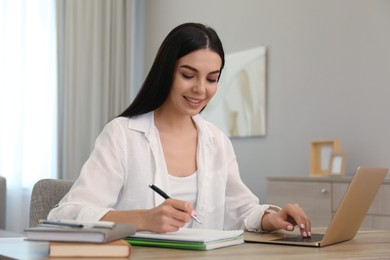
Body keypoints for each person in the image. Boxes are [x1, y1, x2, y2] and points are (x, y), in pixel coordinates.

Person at [48, 22, 311, 237]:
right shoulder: (122, 135)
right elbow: (65, 214)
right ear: (166, 72)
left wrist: (271, 217)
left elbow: (241, 210)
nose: (200, 89)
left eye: (212, 79)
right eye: (188, 75)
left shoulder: (217, 142)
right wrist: (143, 219)